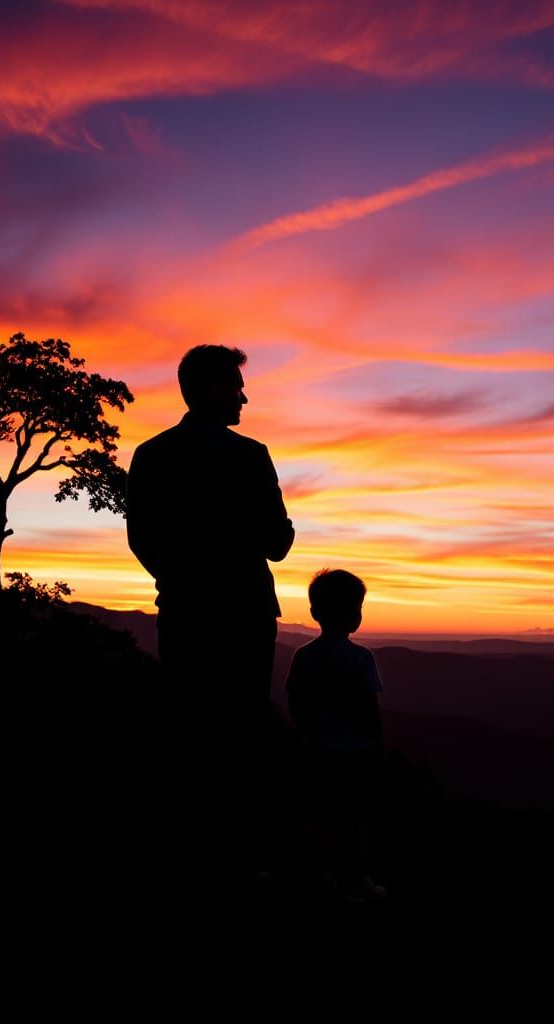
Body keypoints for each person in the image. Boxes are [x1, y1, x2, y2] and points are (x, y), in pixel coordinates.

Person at [125, 344, 294, 863]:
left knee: (188, 727)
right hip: (245, 614)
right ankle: (241, 852)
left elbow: (139, 539)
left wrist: (179, 580)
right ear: (213, 389)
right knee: (242, 730)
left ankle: (189, 847)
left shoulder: (151, 455)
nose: (244, 397)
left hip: (183, 612)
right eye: (236, 386)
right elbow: (278, 544)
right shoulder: (250, 455)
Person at [286, 569, 386, 902]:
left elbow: (295, 702)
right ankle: (356, 881)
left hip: (314, 751)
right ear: (355, 614)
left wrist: (306, 735)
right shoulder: (361, 658)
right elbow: (370, 709)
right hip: (354, 754)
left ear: (315, 613)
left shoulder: (303, 656)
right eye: (356, 607)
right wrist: (377, 747)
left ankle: (317, 877)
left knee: (317, 818)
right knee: (354, 819)